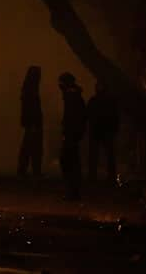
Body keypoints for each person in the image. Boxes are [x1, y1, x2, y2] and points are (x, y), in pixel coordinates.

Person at [59, 72, 87, 200]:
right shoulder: (74, 95)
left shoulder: (71, 96)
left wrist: (67, 132)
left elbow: (72, 117)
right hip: (73, 134)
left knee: (68, 162)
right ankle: (73, 191)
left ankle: (72, 192)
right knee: (71, 161)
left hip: (71, 134)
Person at [86, 80, 119, 183]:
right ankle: (109, 175)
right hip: (105, 130)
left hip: (99, 130)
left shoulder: (94, 100)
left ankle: (93, 175)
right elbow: (115, 116)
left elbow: (88, 115)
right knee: (107, 154)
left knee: (96, 154)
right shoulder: (110, 101)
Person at [17, 66, 43, 178]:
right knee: (33, 149)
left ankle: (24, 170)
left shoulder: (28, 89)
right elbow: (31, 109)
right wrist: (33, 124)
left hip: (31, 123)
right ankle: (32, 171)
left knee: (28, 148)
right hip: (33, 124)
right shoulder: (31, 90)